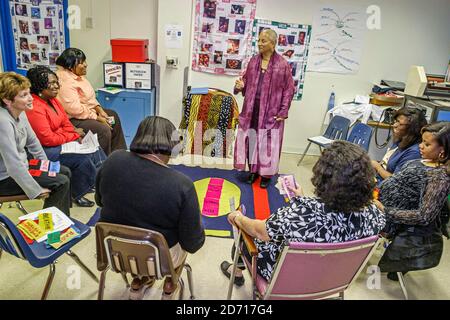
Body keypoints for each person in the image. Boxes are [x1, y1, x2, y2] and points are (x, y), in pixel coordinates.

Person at [221, 141, 386, 285]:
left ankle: (236, 271)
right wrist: (302, 199)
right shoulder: (375, 215)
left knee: (243, 237)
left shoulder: (301, 214)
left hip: (285, 280)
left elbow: (259, 231)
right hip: (332, 280)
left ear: (323, 177)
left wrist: (238, 218)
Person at [96, 116, 205, 300]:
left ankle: (138, 281)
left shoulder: (112, 159)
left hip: (114, 253)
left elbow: (99, 201)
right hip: (159, 260)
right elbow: (192, 243)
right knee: (185, 238)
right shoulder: (182, 185)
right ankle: (170, 285)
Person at [375, 122, 450, 281]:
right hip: (383, 203)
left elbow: (424, 216)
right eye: (422, 141)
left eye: (427, 144)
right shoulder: (426, 160)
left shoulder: (439, 178)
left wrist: (384, 210)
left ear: (442, 151)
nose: (421, 147)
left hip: (392, 218)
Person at [26, 66, 107, 207]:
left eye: (56, 82)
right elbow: (47, 139)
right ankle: (79, 193)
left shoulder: (53, 100)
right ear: (39, 86)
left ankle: (100, 180)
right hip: (43, 150)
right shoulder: (35, 107)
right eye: (50, 83)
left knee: (94, 147)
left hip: (59, 141)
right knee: (82, 158)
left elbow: (65, 122)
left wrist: (74, 135)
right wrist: (72, 136)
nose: (56, 86)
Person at [0, 72, 71, 216]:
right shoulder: (3, 122)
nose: (31, 98)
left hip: (20, 167)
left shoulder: (20, 111)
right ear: (7, 100)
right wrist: (34, 190)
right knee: (61, 182)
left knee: (64, 172)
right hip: (5, 179)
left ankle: (61, 218)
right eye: (24, 95)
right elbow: (13, 165)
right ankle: (49, 228)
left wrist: (47, 168)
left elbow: (34, 143)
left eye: (29, 93)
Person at [233, 29, 295, 188]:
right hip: (252, 110)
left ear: (273, 44)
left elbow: (289, 90)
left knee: (268, 143)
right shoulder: (253, 61)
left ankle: (265, 175)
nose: (259, 43)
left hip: (271, 113)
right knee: (252, 139)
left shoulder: (282, 65)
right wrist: (241, 86)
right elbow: (245, 84)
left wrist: (283, 111)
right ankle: (253, 171)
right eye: (259, 40)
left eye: (263, 41)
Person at [56, 48, 127, 155]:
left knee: (113, 116)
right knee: (103, 130)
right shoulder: (65, 81)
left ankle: (118, 155)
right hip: (73, 119)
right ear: (70, 66)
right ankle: (101, 163)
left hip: (86, 113)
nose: (85, 65)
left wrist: (100, 110)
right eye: (81, 63)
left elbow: (89, 98)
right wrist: (97, 117)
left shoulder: (79, 77)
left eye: (85, 61)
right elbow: (75, 110)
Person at [371, 107, 427, 185]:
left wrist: (378, 167)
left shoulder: (414, 153)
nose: (394, 125)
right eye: (395, 121)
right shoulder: (401, 140)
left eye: (399, 123)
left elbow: (396, 181)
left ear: (412, 128)